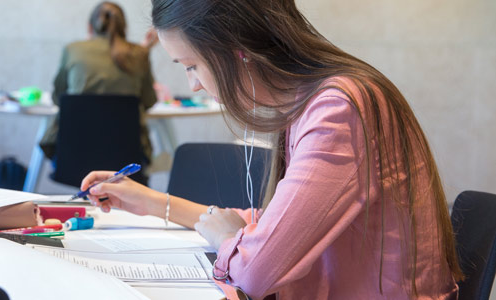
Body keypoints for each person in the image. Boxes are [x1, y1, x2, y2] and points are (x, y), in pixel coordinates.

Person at [80, 0, 462, 299]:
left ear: (236, 49)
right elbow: (278, 225)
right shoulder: (315, 100)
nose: (193, 84)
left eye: (191, 65)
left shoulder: (339, 110)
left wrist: (227, 241)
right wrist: (150, 202)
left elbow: (257, 272)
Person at [39, 1, 158, 180]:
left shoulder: (73, 50)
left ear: (90, 27)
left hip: (72, 154)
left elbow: (59, 98)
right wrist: (143, 50)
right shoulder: (139, 53)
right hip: (128, 155)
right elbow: (149, 101)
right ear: (123, 27)